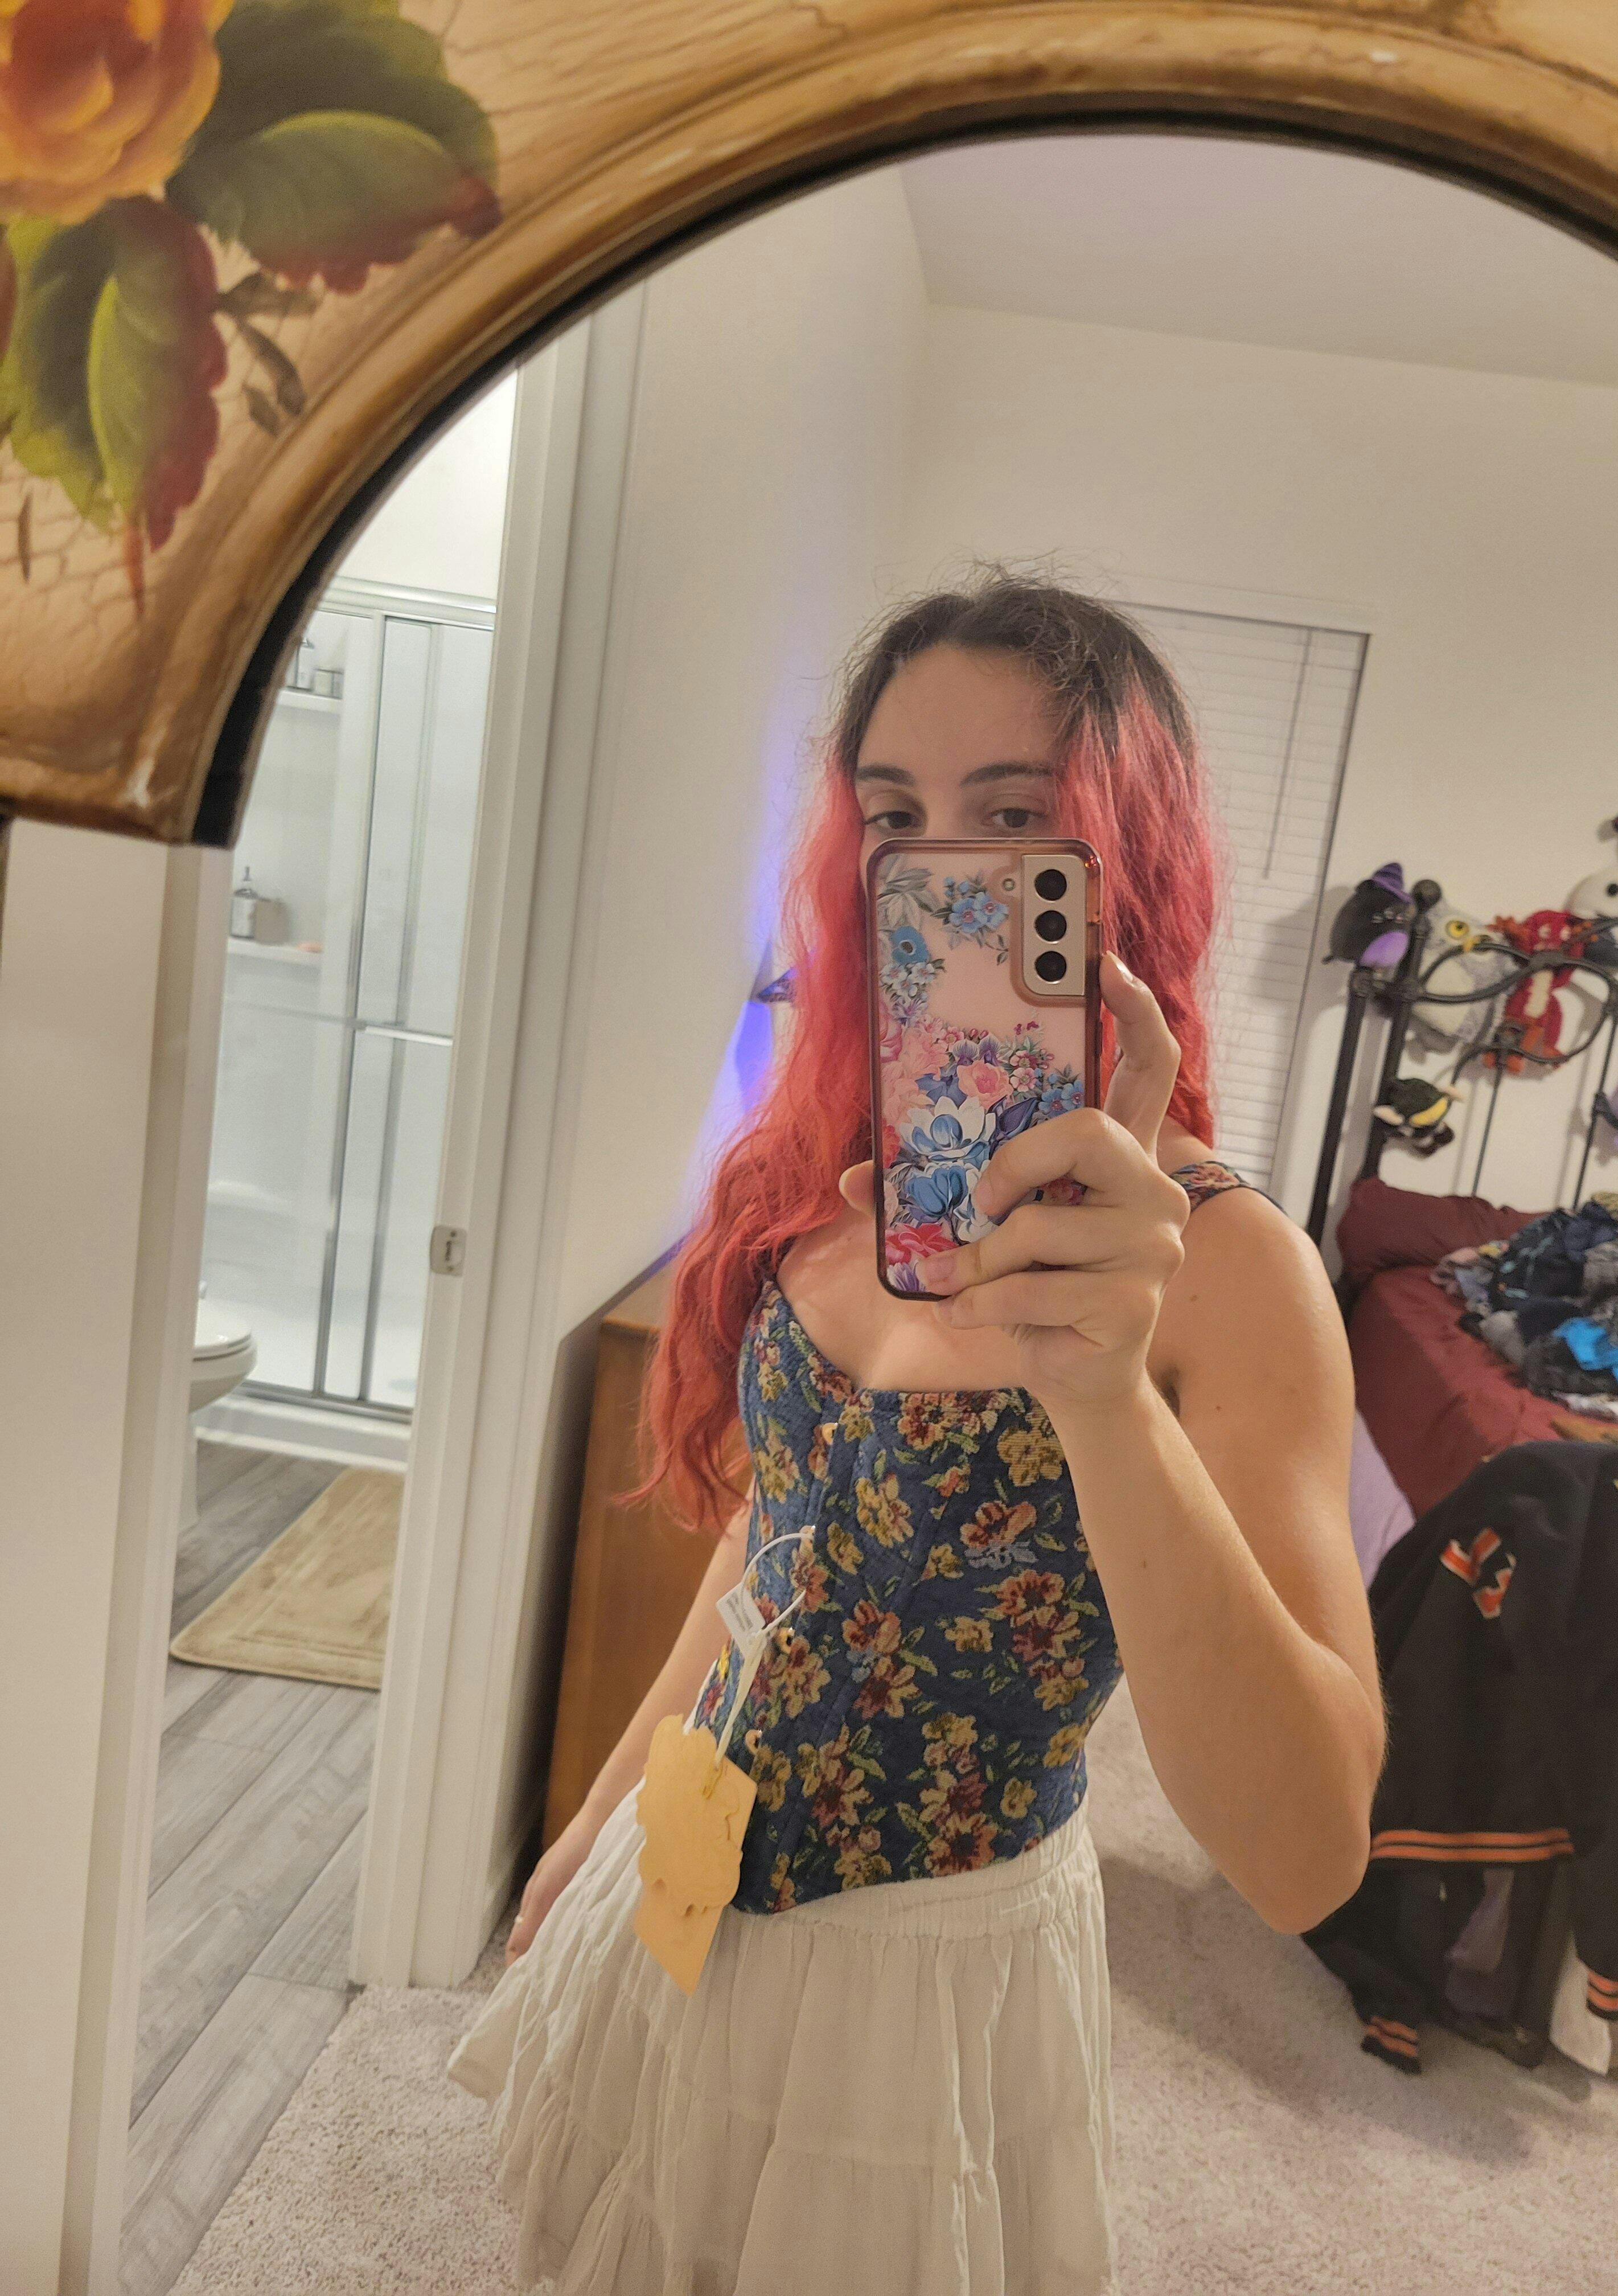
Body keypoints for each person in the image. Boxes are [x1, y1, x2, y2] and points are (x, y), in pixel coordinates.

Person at [446, 567, 1384, 2294]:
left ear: (1120, 859)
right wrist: (598, 1816)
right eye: (893, 814)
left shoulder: (1228, 1267)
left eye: (1012, 817)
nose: (937, 871)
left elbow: (1307, 1854)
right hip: (689, 1851)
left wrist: (1100, 1391)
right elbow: (775, 1538)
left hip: (921, 1969)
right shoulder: (834, 1178)